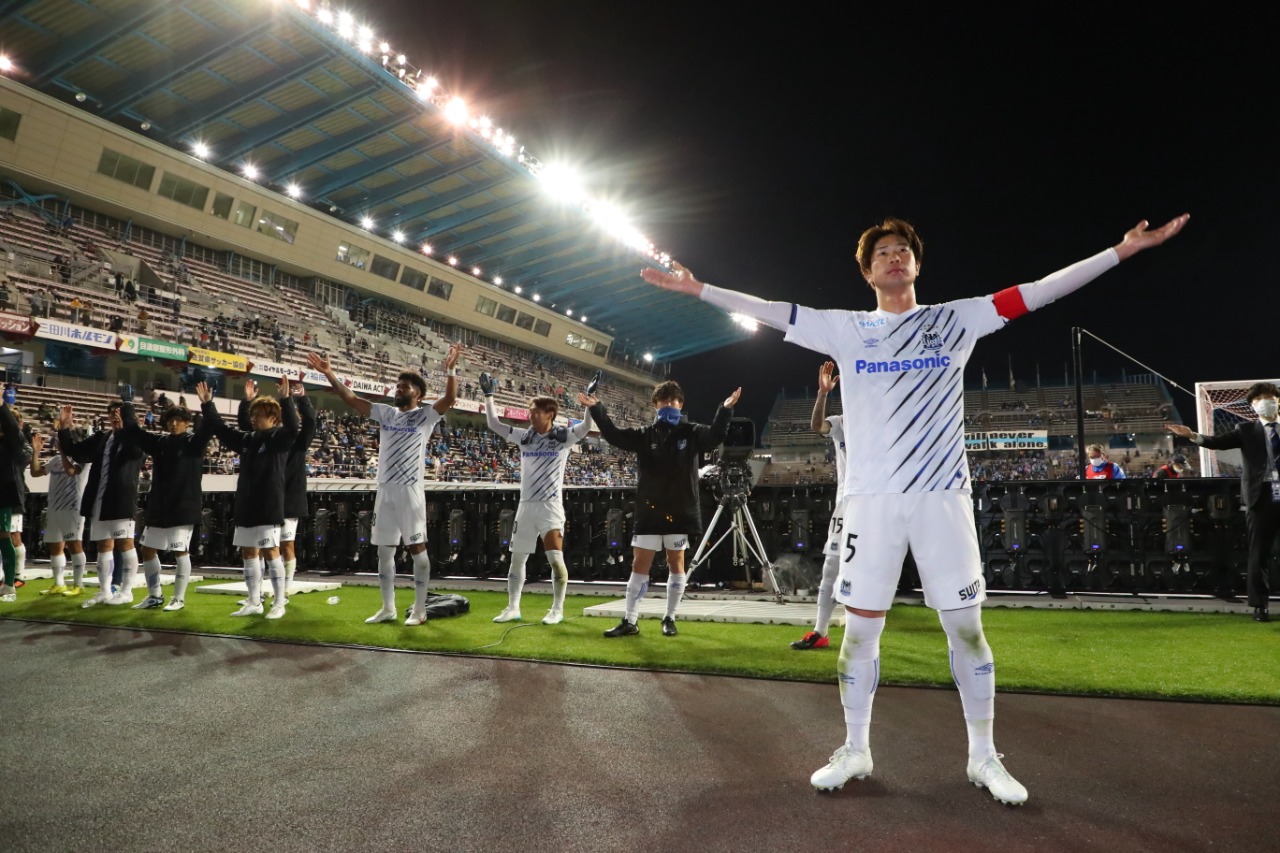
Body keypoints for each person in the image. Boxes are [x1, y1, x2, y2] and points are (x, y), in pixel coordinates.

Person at [641, 212, 1189, 804]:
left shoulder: (955, 320)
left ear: (918, 264)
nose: (894, 257)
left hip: (942, 498)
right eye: (882, 254)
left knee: (967, 631)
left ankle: (984, 757)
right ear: (867, 272)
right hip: (870, 505)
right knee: (858, 635)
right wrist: (698, 289)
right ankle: (856, 748)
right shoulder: (845, 330)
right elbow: (772, 308)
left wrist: (1122, 251)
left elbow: (1039, 291)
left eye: (903, 250)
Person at [308, 344, 460, 626]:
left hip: (410, 490)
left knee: (418, 550)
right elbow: (352, 399)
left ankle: (419, 609)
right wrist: (329, 374)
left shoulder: (425, 416)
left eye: (403, 387)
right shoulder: (387, 414)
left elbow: (450, 398)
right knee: (384, 551)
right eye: (397, 386)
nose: (398, 389)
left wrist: (451, 369)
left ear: (418, 393)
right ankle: (388, 608)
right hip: (385, 490)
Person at [582, 379, 739, 637]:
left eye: (673, 402)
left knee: (676, 564)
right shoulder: (645, 435)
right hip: (650, 511)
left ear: (681, 404)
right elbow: (613, 435)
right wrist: (597, 408)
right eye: (663, 402)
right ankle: (630, 620)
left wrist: (725, 409)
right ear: (655, 405)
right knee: (638, 566)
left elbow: (715, 437)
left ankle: (669, 617)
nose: (668, 406)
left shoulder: (692, 432)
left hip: (679, 510)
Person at [480, 372, 592, 625]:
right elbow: (494, 424)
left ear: (549, 414)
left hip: (550, 507)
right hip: (526, 506)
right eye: (530, 411)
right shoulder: (525, 437)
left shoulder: (563, 438)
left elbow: (585, 428)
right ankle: (512, 608)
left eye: (535, 412)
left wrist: (588, 407)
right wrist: (489, 397)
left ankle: (557, 609)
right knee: (517, 558)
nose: (531, 416)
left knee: (555, 558)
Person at [1167, 381, 1280, 622]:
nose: (1264, 402)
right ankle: (1260, 605)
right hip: (1261, 496)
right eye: (1258, 400)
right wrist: (1192, 436)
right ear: (1251, 406)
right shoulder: (1245, 430)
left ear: (1278, 400)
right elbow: (1216, 442)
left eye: (1269, 397)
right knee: (1259, 552)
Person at [198, 378, 298, 619]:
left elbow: (294, 427)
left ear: (273, 418)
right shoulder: (247, 440)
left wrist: (286, 400)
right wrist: (208, 405)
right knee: (248, 552)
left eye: (259, 415)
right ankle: (254, 601)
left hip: (269, 504)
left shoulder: (279, 439)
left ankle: (278, 602)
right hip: (245, 504)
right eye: (253, 415)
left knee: (271, 552)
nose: (254, 419)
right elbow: (220, 429)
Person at [121, 396, 214, 611]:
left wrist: (207, 404)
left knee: (180, 552)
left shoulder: (194, 443)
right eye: (171, 420)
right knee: (147, 549)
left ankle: (179, 599)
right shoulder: (160, 442)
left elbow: (209, 428)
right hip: (159, 506)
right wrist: (127, 406)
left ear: (187, 423)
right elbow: (134, 432)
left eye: (179, 420)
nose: (174, 423)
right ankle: (155, 596)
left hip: (183, 507)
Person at [57, 393, 148, 607]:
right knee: (103, 546)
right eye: (112, 414)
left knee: (126, 544)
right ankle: (105, 591)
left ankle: (127, 591)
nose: (116, 418)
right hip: (99, 498)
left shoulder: (136, 438)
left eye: (120, 414)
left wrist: (132, 425)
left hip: (122, 499)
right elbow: (75, 452)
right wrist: (64, 428)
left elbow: (137, 454)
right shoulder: (101, 438)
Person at [239, 378, 316, 598]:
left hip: (289, 498)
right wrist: (248, 402)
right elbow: (247, 428)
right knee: (262, 546)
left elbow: (310, 422)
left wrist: (302, 399)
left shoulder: (299, 441)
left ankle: (286, 588)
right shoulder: (269, 439)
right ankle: (262, 591)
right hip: (267, 497)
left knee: (285, 544)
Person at [792, 361, 845, 650]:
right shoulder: (842, 423)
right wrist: (822, 394)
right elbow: (816, 425)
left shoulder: (885, 421)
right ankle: (820, 632)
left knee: (873, 573)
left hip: (878, 507)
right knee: (830, 569)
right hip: (846, 506)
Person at [28, 431, 90, 596]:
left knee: (74, 545)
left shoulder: (82, 460)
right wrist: (36, 452)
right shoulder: (55, 461)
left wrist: (64, 451)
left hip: (73, 508)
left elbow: (71, 471)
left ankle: (78, 585)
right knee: (55, 545)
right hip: (54, 507)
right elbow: (35, 473)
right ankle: (59, 583)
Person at [0, 394, 27, 602]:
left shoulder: (11, 441)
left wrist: (2, 405)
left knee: (4, 538)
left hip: (4, 493)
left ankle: (10, 585)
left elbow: (13, 431)